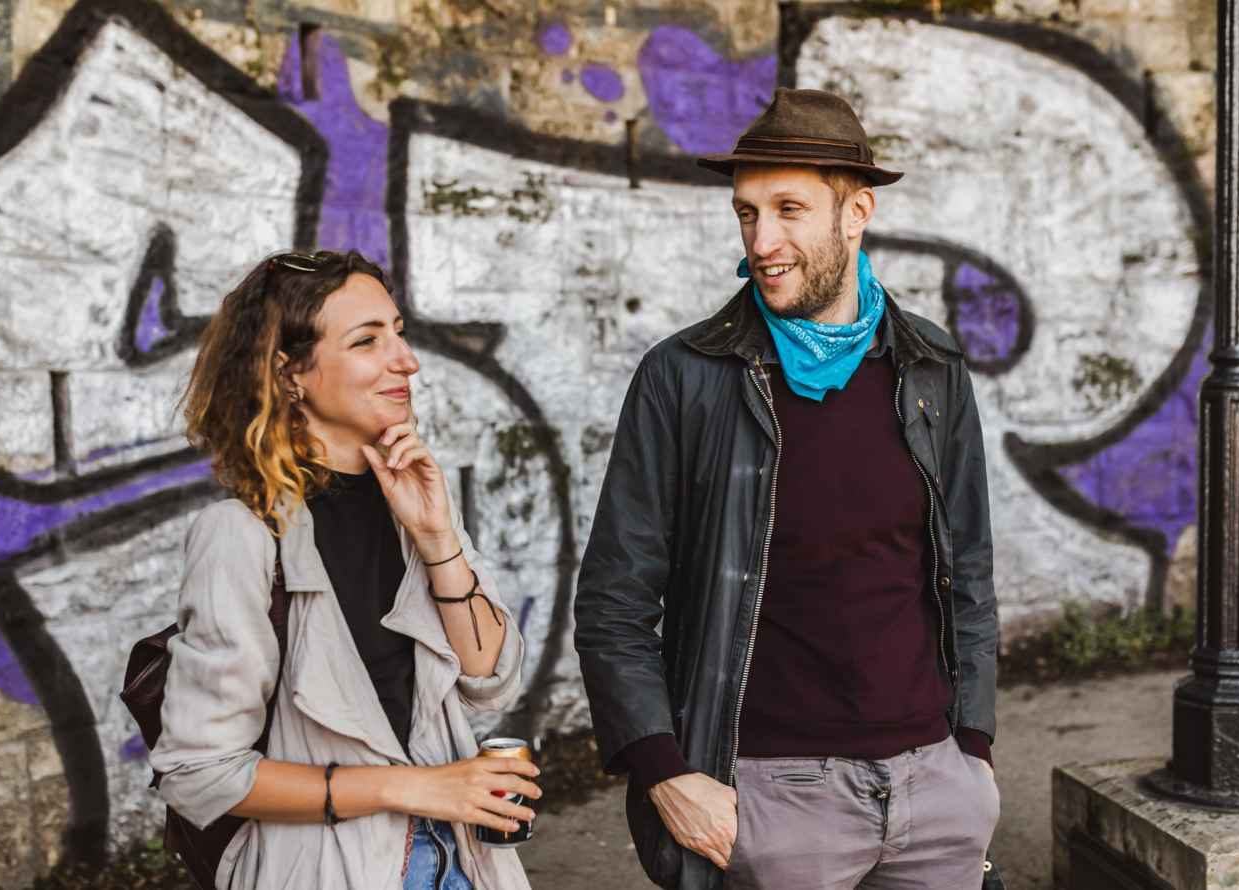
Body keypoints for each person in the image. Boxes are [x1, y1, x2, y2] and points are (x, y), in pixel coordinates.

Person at [574, 88, 1001, 890]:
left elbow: (967, 569)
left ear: (855, 212)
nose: (761, 240)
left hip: (934, 790)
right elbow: (613, 600)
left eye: (789, 209)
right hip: (771, 799)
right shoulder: (686, 378)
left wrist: (972, 751)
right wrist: (667, 774)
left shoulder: (932, 370)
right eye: (746, 213)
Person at [151, 250, 539, 890]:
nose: (406, 361)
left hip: (469, 864)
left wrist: (439, 537)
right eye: (367, 341)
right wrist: (418, 789)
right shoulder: (244, 536)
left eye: (399, 334)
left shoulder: (409, 505)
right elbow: (201, 772)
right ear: (290, 373)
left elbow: (490, 681)